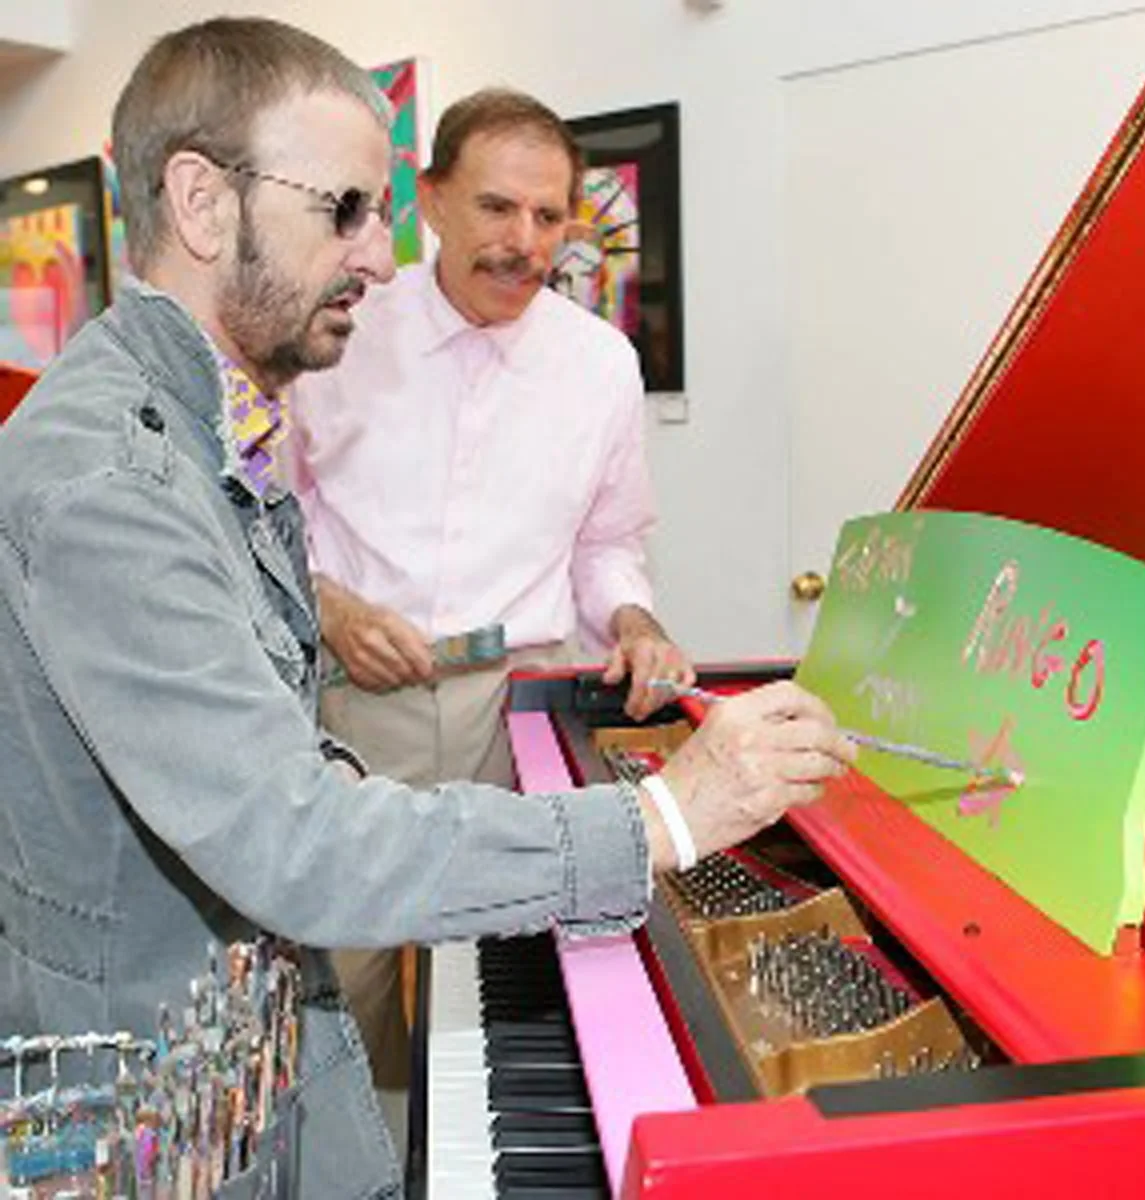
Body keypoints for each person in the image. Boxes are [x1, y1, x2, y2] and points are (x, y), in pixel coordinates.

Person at [0, 18, 853, 1200]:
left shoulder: (194, 419)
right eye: (344, 209)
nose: (377, 255)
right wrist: (665, 816)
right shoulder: (112, 480)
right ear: (200, 203)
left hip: (254, 1018)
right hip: (156, 1103)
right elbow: (296, 845)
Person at [287, 87, 692, 1135]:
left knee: (508, 986)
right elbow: (270, 513)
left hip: (517, 715)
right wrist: (328, 606)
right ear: (431, 201)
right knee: (341, 989)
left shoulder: (599, 365)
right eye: (497, 208)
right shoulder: (337, 334)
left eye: (549, 216)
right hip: (351, 705)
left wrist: (635, 620)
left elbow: (607, 542)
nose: (525, 243)